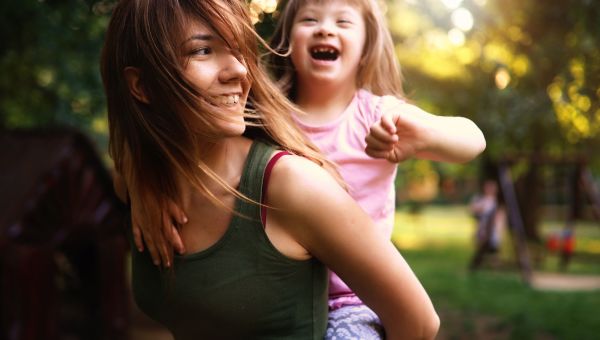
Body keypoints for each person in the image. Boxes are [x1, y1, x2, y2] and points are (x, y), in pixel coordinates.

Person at [102, 0, 439, 339]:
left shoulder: (292, 186)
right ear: (141, 87)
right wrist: (141, 178)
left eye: (237, 50)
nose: (239, 70)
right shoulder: (140, 180)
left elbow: (420, 324)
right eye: (203, 50)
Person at [264, 0, 486, 337]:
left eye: (343, 22)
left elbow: (473, 139)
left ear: (366, 48)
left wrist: (422, 135)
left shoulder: (380, 116)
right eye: (310, 19)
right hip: (276, 296)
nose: (325, 28)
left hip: (353, 301)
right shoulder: (268, 117)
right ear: (287, 41)